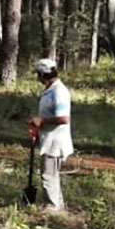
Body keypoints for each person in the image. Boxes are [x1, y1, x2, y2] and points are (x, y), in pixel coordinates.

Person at [27, 58, 73, 211]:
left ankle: (51, 209)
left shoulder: (59, 92)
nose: (37, 78)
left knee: (48, 176)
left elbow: (64, 118)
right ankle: (58, 206)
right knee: (52, 175)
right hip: (48, 139)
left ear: (42, 74)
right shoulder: (51, 90)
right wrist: (38, 130)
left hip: (55, 143)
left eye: (38, 74)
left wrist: (42, 121)